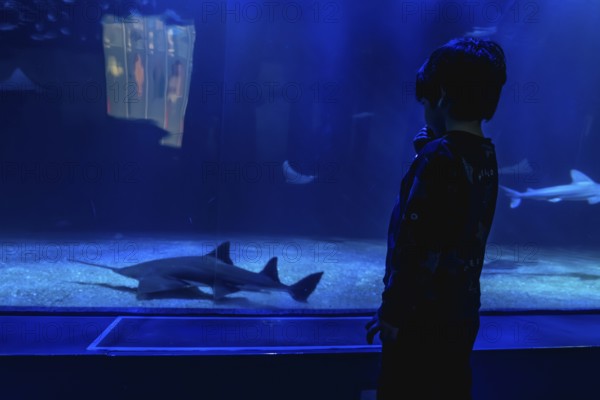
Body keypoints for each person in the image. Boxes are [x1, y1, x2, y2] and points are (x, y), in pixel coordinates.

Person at [366, 37, 507, 399]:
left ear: (441, 96)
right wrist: (429, 149)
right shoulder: (485, 155)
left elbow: (419, 244)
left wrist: (393, 312)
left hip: (419, 318)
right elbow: (455, 211)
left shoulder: (437, 159)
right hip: (461, 312)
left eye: (425, 103)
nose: (424, 111)